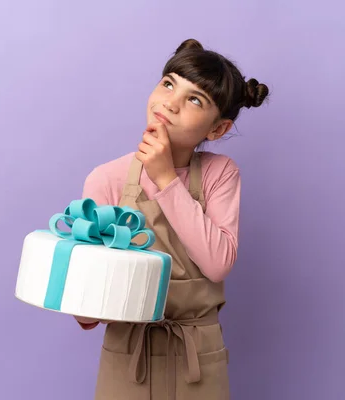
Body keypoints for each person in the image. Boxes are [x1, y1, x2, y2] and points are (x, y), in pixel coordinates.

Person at [75, 38, 269, 399]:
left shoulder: (220, 174)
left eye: (195, 99)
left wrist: (165, 178)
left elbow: (217, 263)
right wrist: (80, 293)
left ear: (218, 129)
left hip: (197, 352)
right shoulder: (106, 179)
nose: (171, 103)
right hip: (128, 353)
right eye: (168, 84)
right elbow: (88, 312)